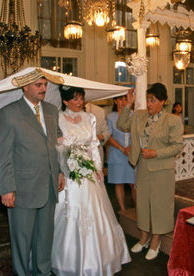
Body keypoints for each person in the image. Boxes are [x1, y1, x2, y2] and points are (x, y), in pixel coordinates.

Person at [52, 86, 131, 275]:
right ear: (65, 101)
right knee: (69, 215)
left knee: (98, 214)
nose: (80, 102)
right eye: (75, 99)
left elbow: (94, 145)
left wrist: (97, 168)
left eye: (81, 98)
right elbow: (55, 146)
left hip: (89, 173)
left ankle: (101, 259)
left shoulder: (90, 118)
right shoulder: (58, 118)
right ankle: (66, 260)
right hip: (69, 174)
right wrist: (64, 159)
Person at [0, 68, 65, 276]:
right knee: (22, 240)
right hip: (22, 189)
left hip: (49, 186)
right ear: (25, 87)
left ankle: (43, 272)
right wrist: (6, 188)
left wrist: (60, 171)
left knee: (45, 238)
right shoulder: (8, 113)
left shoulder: (52, 111)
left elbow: (56, 144)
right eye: (39, 85)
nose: (43, 89)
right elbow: (2, 155)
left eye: (45, 85)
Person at [117, 83, 184, 260]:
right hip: (143, 168)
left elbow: (178, 146)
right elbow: (122, 124)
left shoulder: (172, 120)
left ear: (163, 101)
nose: (149, 104)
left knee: (160, 205)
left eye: (153, 100)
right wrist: (129, 105)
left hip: (162, 169)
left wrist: (156, 153)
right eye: (147, 100)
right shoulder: (140, 116)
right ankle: (144, 237)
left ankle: (156, 239)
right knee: (143, 203)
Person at [106, 95, 136, 212]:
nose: (123, 102)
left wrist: (131, 147)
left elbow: (138, 134)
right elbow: (108, 136)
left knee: (133, 184)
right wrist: (120, 148)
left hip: (131, 153)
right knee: (119, 183)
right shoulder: (110, 117)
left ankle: (136, 208)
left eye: (125, 99)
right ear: (115, 101)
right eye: (120, 99)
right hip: (117, 153)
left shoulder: (134, 115)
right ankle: (123, 210)